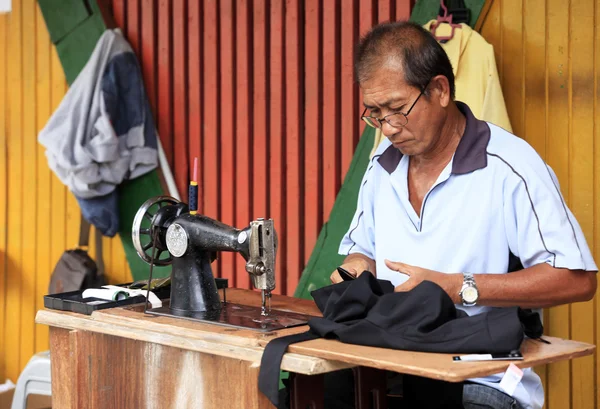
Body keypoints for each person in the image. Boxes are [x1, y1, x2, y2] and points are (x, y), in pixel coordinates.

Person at [330, 21, 597, 409]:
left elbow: (575, 279)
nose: (388, 127)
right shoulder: (380, 168)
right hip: (394, 363)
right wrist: (353, 275)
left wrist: (458, 287)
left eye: (397, 110)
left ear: (439, 90)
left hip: (484, 377)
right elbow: (362, 254)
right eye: (375, 113)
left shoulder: (509, 167)